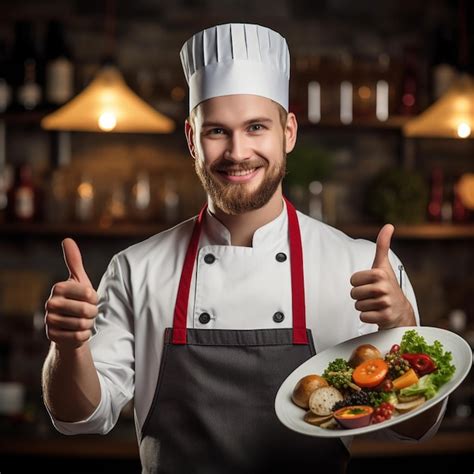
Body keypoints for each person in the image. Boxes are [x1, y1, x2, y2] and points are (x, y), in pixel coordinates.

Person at [41, 23, 446, 474]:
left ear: (288, 132)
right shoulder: (138, 268)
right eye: (217, 131)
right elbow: (78, 419)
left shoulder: (361, 265)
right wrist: (67, 347)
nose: (238, 152)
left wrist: (406, 328)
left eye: (256, 127)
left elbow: (416, 428)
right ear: (193, 139)